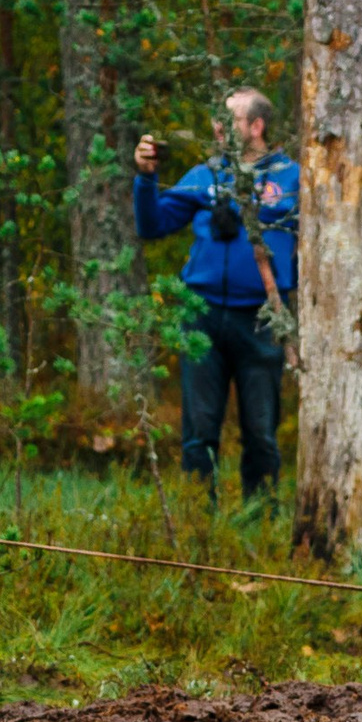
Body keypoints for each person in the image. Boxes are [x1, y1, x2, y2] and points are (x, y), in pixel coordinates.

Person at [133, 88, 300, 501]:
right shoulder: (205, 174)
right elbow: (152, 225)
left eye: (229, 120)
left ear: (256, 126)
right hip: (202, 316)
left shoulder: (291, 177)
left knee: (261, 432)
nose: (217, 128)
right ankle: (196, 524)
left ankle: (258, 521)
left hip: (262, 318)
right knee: (199, 430)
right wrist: (146, 176)